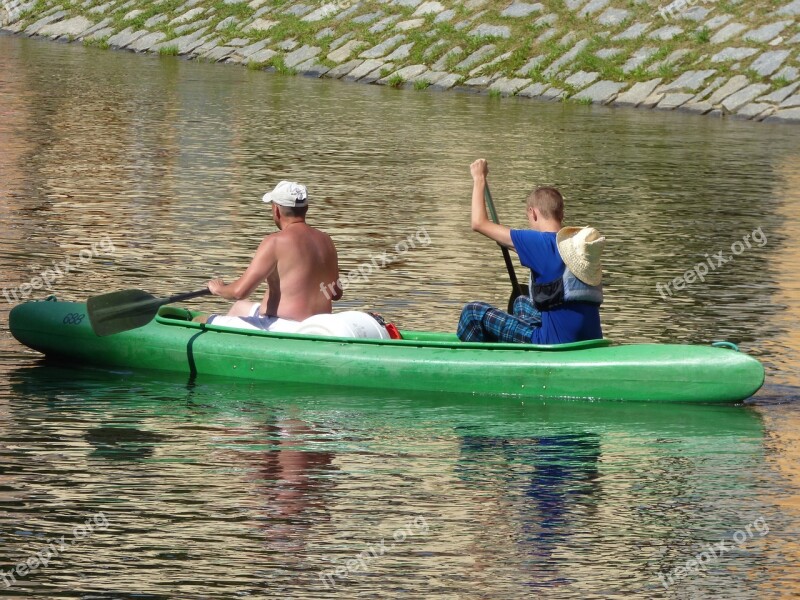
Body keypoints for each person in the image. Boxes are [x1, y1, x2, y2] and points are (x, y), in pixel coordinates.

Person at [457, 159, 604, 345]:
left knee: (472, 312)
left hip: (554, 344)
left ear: (533, 213)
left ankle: (480, 362)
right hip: (590, 339)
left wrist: (479, 178)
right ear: (562, 215)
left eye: (528, 217)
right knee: (521, 303)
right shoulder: (574, 247)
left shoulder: (538, 243)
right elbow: (532, 254)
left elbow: (478, 223)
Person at [194, 180, 342, 331]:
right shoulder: (326, 240)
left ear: (276, 210)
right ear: (306, 208)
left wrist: (218, 288)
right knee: (240, 307)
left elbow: (239, 292)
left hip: (284, 326)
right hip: (319, 323)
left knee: (200, 320)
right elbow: (336, 293)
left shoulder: (275, 242)